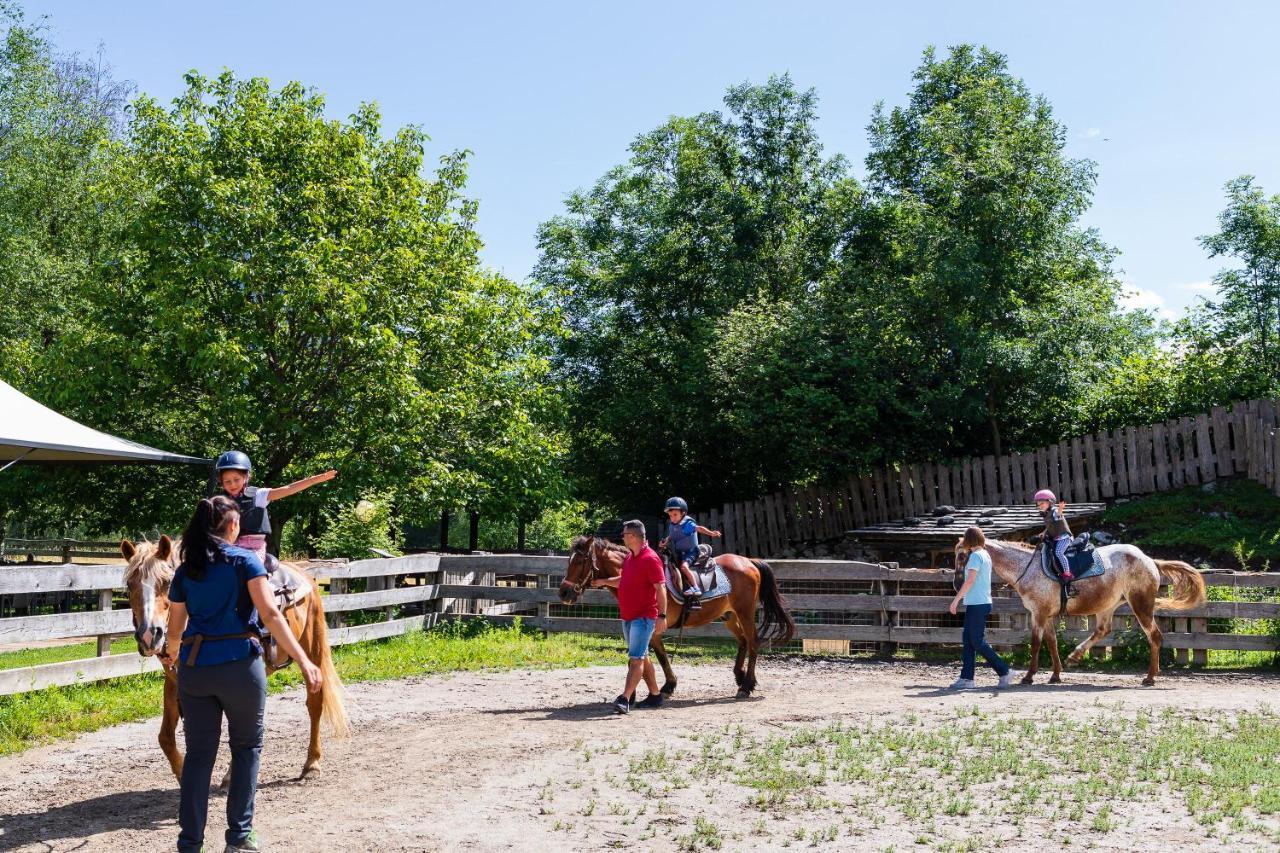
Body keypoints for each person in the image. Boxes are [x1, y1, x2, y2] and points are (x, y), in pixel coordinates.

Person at [165, 495, 323, 853]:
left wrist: (174, 657)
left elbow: (175, 630)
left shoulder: (185, 569)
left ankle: (190, 843)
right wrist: (303, 659)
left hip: (196, 670)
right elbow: (270, 615)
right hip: (240, 668)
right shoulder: (246, 561)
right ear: (233, 526)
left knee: (199, 755)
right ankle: (238, 836)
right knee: (247, 747)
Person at [592, 519, 668, 713]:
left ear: (633, 536)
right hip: (628, 616)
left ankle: (624, 699)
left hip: (643, 618)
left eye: (625, 534)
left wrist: (662, 615)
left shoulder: (650, 558)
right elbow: (624, 580)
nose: (622, 537)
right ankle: (655, 695)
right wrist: (603, 581)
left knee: (635, 659)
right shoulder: (630, 558)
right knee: (642, 656)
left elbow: (661, 588)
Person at [213, 450, 337, 565]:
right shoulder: (219, 502)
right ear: (221, 482)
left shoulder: (258, 495)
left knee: (247, 567)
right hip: (228, 548)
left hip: (253, 549)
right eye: (227, 481)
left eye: (236, 479)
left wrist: (315, 480)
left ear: (246, 477)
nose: (232, 484)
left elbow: (288, 489)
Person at [949, 526, 1014, 690]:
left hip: (978, 604)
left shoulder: (976, 556)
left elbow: (970, 581)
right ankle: (967, 678)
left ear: (969, 540)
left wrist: (956, 599)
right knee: (968, 641)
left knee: (977, 641)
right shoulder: (984, 554)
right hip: (978, 602)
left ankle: (1004, 671)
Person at [658, 496, 721, 609]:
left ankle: (696, 588)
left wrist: (711, 533)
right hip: (679, 553)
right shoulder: (673, 525)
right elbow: (671, 536)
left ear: (683, 513)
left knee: (683, 567)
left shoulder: (687, 524)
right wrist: (665, 542)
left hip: (691, 552)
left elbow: (699, 528)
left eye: (675, 515)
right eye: (670, 515)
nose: (672, 518)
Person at [1032, 488, 1073, 583]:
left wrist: (1060, 509)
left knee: (1059, 552)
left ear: (1050, 502)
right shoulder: (1046, 514)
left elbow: (1058, 516)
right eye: (1038, 504)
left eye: (1042, 503)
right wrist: (1044, 532)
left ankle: (1067, 573)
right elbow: (1050, 525)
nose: (1040, 506)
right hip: (1056, 538)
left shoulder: (1054, 511)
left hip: (1064, 537)